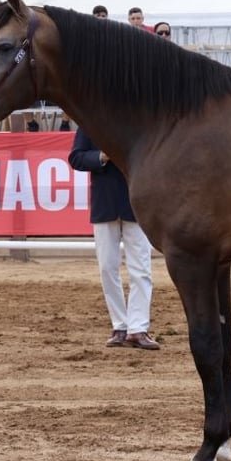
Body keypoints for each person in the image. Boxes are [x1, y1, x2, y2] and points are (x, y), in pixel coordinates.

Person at [68, 129, 159, 350]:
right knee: (107, 268)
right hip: (105, 203)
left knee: (141, 268)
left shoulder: (136, 119)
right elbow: (76, 157)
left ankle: (137, 328)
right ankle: (120, 325)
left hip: (136, 204)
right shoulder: (90, 123)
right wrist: (101, 156)